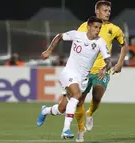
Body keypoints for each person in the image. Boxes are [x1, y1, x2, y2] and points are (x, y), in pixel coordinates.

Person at [37, 0, 128, 142]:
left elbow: (110, 57)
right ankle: (73, 130)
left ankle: (47, 111)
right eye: (105, 10)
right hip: (71, 73)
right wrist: (49, 51)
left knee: (63, 107)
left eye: (109, 10)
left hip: (92, 74)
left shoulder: (106, 36)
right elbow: (64, 37)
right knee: (77, 97)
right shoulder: (80, 32)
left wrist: (109, 67)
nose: (108, 13)